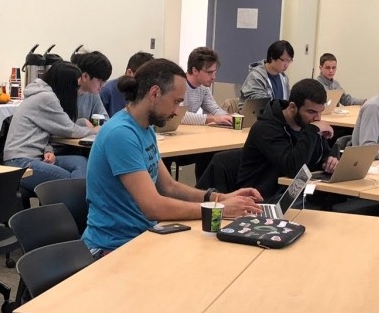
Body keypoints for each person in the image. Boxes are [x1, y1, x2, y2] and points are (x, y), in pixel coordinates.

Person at [82, 59, 261, 255]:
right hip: (112, 247)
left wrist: (219, 197)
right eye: (176, 102)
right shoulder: (121, 134)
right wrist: (219, 208)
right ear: (155, 93)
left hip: (142, 237)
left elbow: (169, 187)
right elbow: (153, 207)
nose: (177, 111)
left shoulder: (144, 127)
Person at [236, 79, 339, 198]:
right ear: (292, 107)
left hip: (294, 194)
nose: (318, 118)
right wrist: (312, 131)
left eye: (320, 112)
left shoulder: (307, 124)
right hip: (262, 199)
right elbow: (293, 168)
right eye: (311, 112)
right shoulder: (266, 128)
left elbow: (321, 155)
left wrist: (329, 161)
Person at [3, 60, 92, 193]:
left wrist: (48, 150)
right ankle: (76, 206)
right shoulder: (46, 98)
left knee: (80, 162)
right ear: (65, 85)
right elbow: (70, 130)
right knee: (71, 183)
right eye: (76, 86)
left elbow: (46, 132)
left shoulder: (43, 93)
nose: (78, 91)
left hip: (35, 156)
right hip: (20, 162)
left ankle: (76, 204)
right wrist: (93, 130)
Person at [182, 47, 233, 126]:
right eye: (209, 72)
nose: (213, 77)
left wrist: (228, 117)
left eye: (214, 72)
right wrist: (212, 119)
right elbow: (179, 116)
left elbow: (214, 110)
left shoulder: (203, 87)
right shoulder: (178, 84)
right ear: (195, 70)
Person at [239, 40, 293, 104]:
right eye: (284, 60)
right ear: (272, 57)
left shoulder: (284, 78)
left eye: (289, 61)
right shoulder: (256, 77)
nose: (286, 65)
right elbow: (260, 105)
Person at [100, 51, 152, 117]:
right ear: (129, 72)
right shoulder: (106, 90)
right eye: (143, 78)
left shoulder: (146, 94)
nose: (146, 84)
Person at [71, 51, 112, 121]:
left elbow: (104, 118)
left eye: (104, 81)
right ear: (85, 76)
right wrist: (84, 124)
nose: (103, 85)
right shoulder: (64, 91)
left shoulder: (93, 93)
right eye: (99, 80)